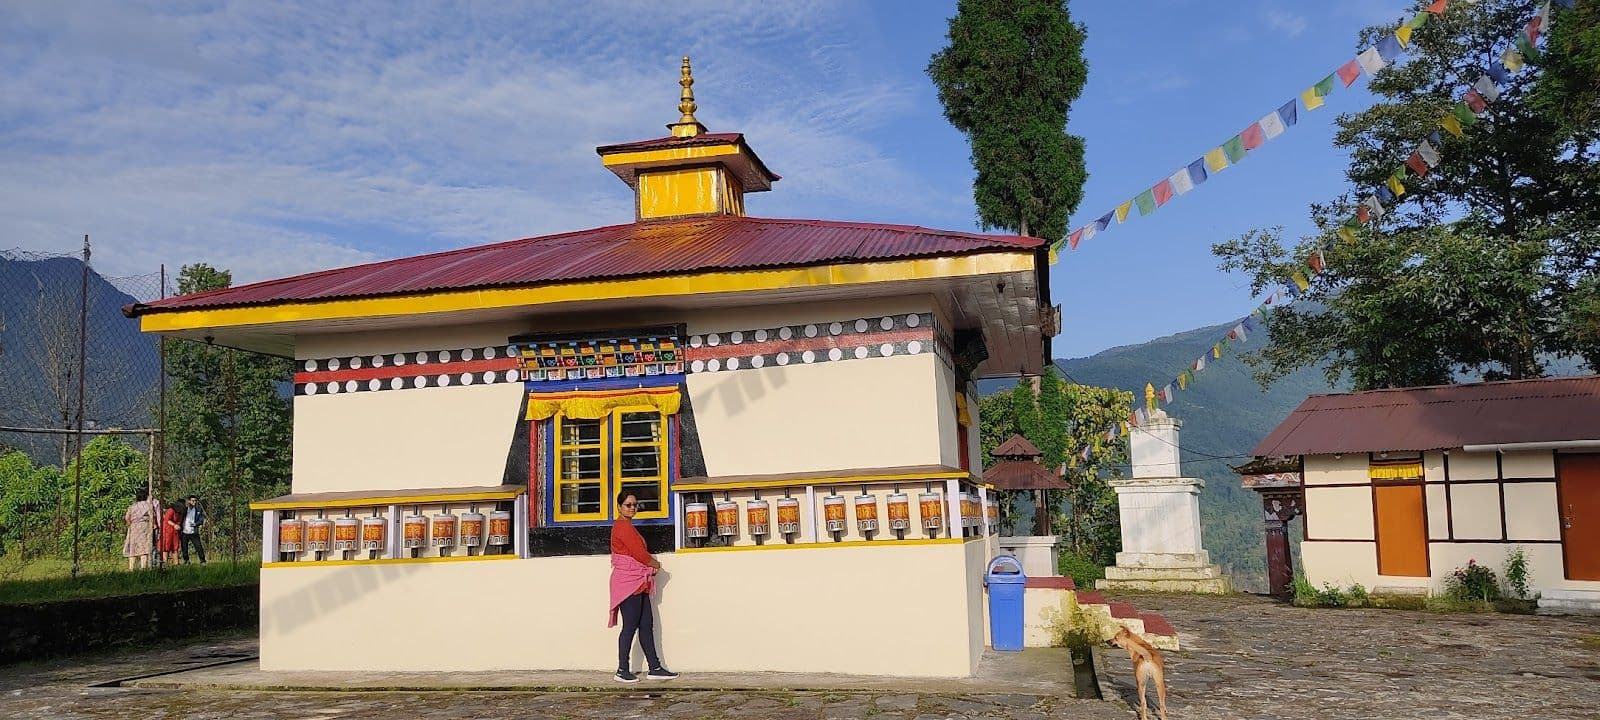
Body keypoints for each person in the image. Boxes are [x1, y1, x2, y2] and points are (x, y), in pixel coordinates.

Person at [607, 492, 677, 683]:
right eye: (628, 505)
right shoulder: (622, 527)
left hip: (639, 581)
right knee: (629, 626)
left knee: (646, 624)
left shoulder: (628, 526)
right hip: (628, 583)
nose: (632, 508)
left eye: (635, 505)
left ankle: (654, 667)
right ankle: (622, 669)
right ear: (619, 506)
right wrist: (655, 564)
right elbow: (638, 553)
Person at [122, 489, 157, 570]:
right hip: (145, 526)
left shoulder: (133, 506)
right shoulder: (148, 505)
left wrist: (130, 525)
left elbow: (127, 517)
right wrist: (153, 524)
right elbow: (152, 516)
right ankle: (143, 567)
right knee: (144, 546)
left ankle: (131, 568)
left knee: (133, 546)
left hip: (134, 526)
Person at [180, 495, 207, 564]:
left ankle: (203, 561)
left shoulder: (198, 510)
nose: (194, 502)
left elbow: (201, 520)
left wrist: (195, 524)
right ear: (189, 501)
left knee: (198, 546)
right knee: (184, 548)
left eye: (195, 501)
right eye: (192, 501)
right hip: (184, 531)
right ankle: (186, 561)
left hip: (193, 532)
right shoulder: (184, 509)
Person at [160, 501, 182, 566]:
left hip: (174, 531)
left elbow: (179, 520)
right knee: (166, 547)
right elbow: (167, 520)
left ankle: (176, 563)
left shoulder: (180, 513)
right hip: (167, 530)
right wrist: (174, 525)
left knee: (175, 547)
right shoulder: (170, 510)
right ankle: (165, 563)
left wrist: (177, 525)